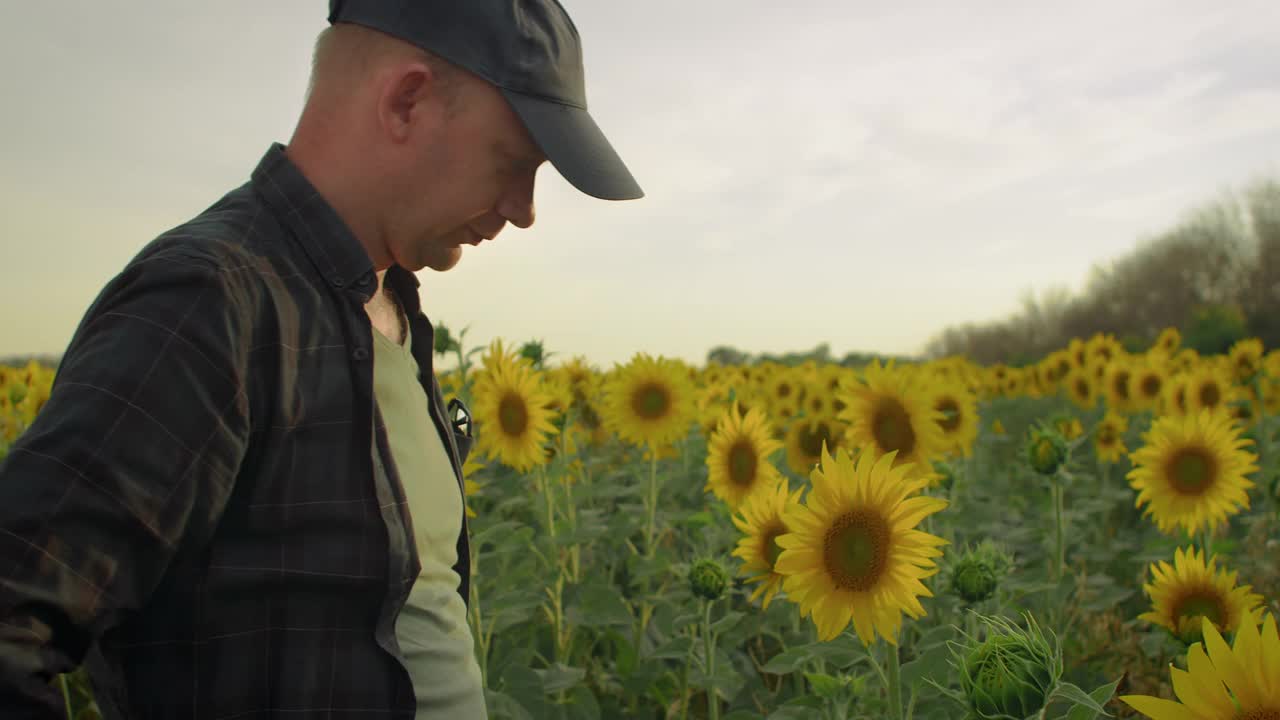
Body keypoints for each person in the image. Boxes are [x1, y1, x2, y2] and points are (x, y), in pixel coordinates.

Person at [0, 1, 643, 718]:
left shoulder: (387, 302)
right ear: (406, 102)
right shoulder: (211, 300)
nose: (524, 209)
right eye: (514, 161)